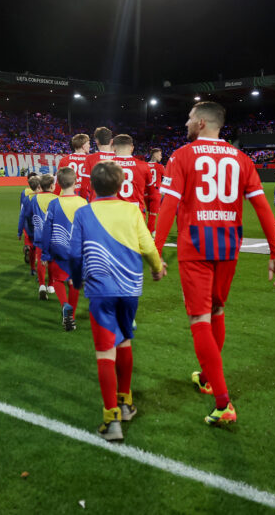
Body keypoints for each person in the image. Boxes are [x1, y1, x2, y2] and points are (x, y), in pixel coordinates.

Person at [153, 101, 275, 427]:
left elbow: (168, 206)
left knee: (199, 318)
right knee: (216, 311)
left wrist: (155, 251)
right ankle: (209, 379)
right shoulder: (241, 159)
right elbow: (262, 207)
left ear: (200, 123)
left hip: (195, 246)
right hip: (228, 247)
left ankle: (223, 402)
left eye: (187, 117)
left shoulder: (182, 155)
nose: (185, 121)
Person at [69, 161, 166, 441]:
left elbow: (75, 255)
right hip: (130, 287)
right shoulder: (132, 210)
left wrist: (77, 280)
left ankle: (111, 420)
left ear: (91, 186)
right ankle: (125, 404)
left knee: (104, 352)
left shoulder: (85, 213)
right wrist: (157, 268)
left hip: (101, 289)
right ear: (121, 183)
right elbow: (147, 245)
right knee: (124, 340)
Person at [40, 166, 88, 330]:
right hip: (77, 250)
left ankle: (65, 305)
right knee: (74, 282)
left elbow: (47, 229)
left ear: (58, 183)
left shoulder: (54, 203)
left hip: (58, 247)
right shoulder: (83, 202)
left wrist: (45, 253)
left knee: (58, 280)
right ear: (75, 182)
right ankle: (71, 317)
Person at [108, 135, 159, 223]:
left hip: (113, 215)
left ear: (113, 148)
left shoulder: (105, 165)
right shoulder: (144, 166)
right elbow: (152, 192)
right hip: (136, 214)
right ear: (132, 148)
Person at [30, 174, 58, 300]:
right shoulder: (56, 199)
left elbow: (30, 215)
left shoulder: (34, 199)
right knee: (52, 260)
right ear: (52, 186)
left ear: (40, 186)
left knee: (41, 258)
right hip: (52, 235)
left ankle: (41, 285)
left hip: (39, 234)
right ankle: (51, 284)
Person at [79, 127, 119, 202]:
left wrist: (83, 200)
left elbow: (84, 185)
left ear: (96, 141)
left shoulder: (90, 158)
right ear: (111, 141)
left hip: (96, 201)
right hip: (116, 201)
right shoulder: (118, 158)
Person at [19, 172, 41, 266]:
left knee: (28, 238)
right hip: (38, 221)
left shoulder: (25, 192)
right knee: (39, 245)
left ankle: (28, 247)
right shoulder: (40, 195)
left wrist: (19, 231)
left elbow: (22, 208)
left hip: (27, 219)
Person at [146, 148, 165, 234]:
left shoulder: (144, 165)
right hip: (155, 193)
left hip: (145, 193)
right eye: (160, 154)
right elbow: (166, 179)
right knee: (153, 214)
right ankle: (148, 233)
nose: (161, 156)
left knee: (149, 213)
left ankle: (152, 230)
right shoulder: (160, 167)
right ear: (154, 154)